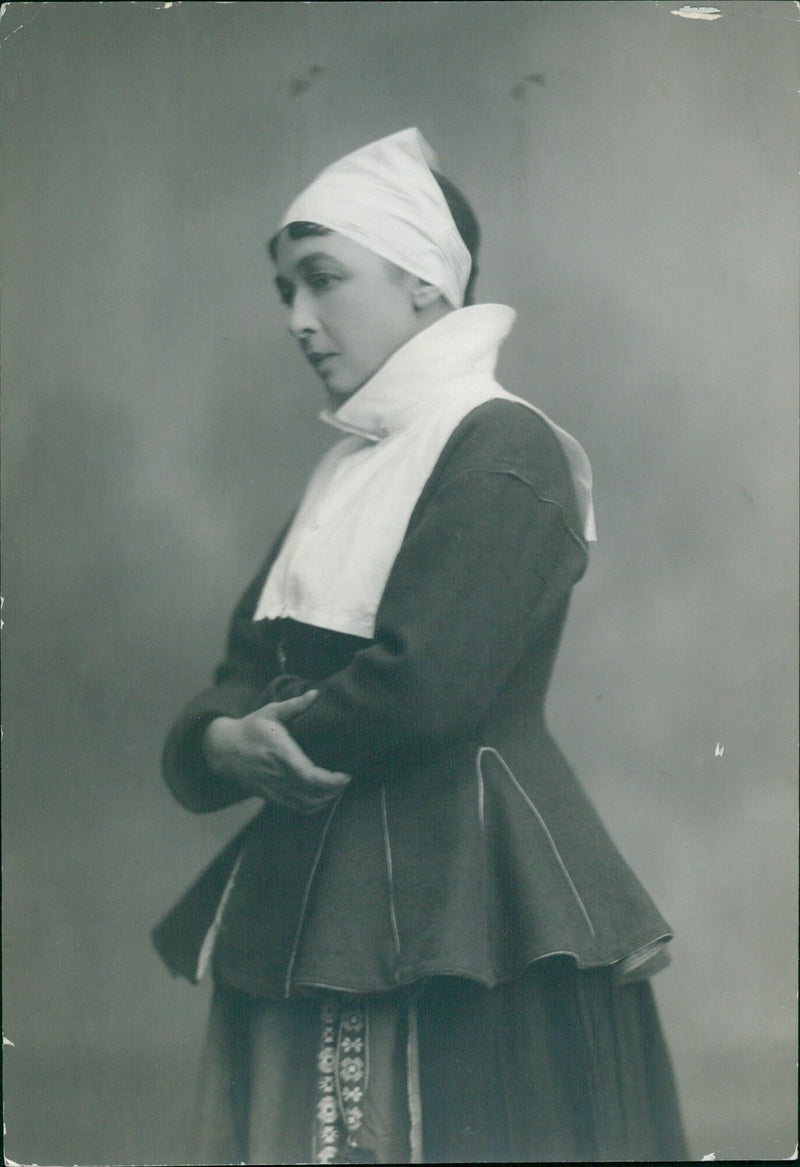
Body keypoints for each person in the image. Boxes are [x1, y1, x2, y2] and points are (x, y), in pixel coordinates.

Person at [153, 128, 688, 1164]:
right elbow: (240, 667)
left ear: (420, 284)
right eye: (283, 293)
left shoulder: (501, 443)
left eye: (320, 280)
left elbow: (423, 686)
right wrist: (215, 746)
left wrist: (258, 738)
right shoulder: (346, 470)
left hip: (471, 903)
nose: (297, 320)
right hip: (317, 887)